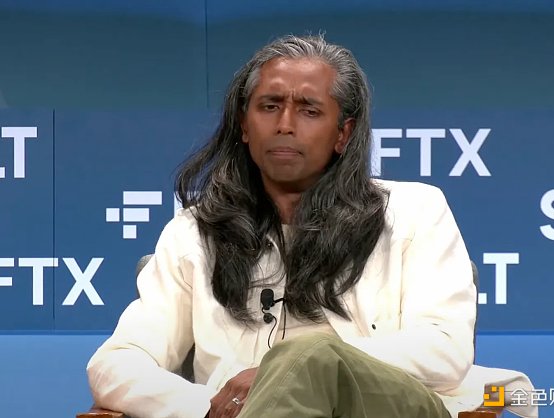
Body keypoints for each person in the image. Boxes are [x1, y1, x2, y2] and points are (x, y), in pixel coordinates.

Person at [87, 34, 477, 418]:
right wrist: (207, 407)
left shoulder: (415, 213)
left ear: (343, 134)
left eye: (309, 110)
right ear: (244, 125)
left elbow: (443, 349)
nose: (285, 124)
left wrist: (294, 374)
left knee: (306, 363)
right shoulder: (194, 233)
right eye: (270, 106)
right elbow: (116, 364)